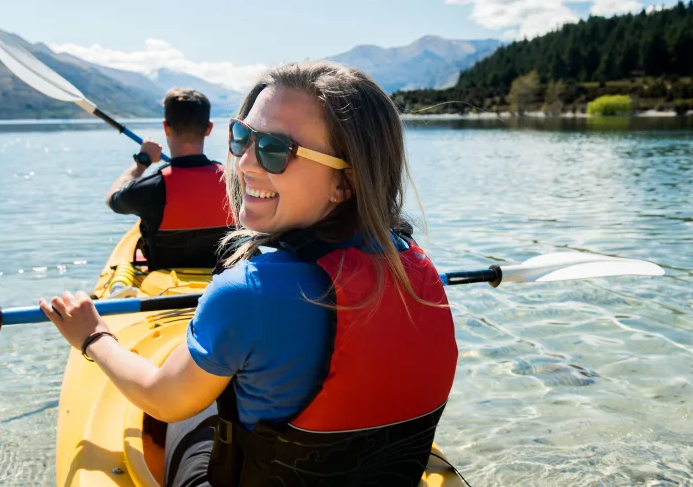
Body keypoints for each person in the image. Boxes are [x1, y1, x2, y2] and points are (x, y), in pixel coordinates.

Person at [42, 62, 458, 487]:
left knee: (191, 414)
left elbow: (161, 399)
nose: (243, 164)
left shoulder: (248, 292)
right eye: (241, 137)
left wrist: (92, 335)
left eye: (276, 150)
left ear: (345, 182)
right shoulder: (419, 266)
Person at [106, 88, 233, 270]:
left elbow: (112, 199)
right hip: (224, 285)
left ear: (166, 127)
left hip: (165, 293)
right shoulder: (235, 182)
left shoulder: (151, 188)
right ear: (209, 128)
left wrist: (142, 162)